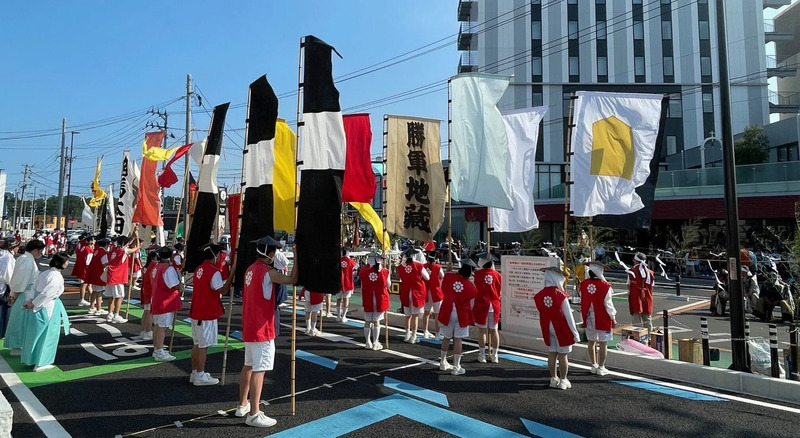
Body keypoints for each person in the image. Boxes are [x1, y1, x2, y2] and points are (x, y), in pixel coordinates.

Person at [235, 236, 298, 428]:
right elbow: (293, 279)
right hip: (262, 326)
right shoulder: (268, 272)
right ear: (270, 253)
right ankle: (254, 413)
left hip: (250, 324)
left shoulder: (250, 269)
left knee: (249, 365)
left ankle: (242, 404)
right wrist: (297, 256)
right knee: (259, 369)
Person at [189, 242, 234, 386]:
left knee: (197, 343)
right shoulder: (213, 271)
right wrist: (231, 275)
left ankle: (196, 372)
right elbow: (221, 290)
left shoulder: (199, 268)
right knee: (203, 345)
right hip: (206, 312)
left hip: (197, 310)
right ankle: (200, 374)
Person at [20, 252, 71, 372]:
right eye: (66, 261)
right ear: (61, 263)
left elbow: (33, 287)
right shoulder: (56, 277)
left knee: (34, 333)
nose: (67, 263)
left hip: (38, 303)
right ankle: (42, 362)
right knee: (48, 334)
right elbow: (48, 293)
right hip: (48, 305)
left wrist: (31, 300)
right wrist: (34, 303)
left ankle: (30, 359)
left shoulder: (44, 273)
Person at [534, 266, 580, 390]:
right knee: (563, 354)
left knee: (552, 353)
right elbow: (568, 316)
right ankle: (563, 380)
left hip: (547, 326)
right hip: (560, 327)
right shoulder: (560, 295)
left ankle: (553, 378)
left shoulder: (540, 295)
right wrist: (575, 333)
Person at [3, 239, 45, 356]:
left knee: (21, 321)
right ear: (35, 250)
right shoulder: (27, 261)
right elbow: (20, 281)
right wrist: (14, 295)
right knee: (20, 321)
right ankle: (16, 346)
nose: (41, 254)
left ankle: (18, 345)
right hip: (24, 294)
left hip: (25, 293)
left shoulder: (25, 259)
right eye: (40, 251)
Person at [438, 258, 477, 375]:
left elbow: (442, 286)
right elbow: (473, 295)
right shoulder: (470, 286)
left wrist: (448, 271)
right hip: (461, 314)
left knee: (446, 337)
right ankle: (456, 366)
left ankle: (443, 362)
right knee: (458, 339)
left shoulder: (449, 277)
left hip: (447, 312)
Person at [579, 261, 617, 376]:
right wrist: (613, 317)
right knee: (603, 343)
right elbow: (608, 305)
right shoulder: (605, 286)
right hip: (602, 316)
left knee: (591, 341)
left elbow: (583, 299)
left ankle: (593, 365)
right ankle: (601, 367)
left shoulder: (583, 284)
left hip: (588, 316)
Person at [150, 246, 182, 362]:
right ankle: (159, 351)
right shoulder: (168, 269)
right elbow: (174, 285)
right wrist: (180, 284)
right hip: (166, 302)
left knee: (157, 326)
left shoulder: (157, 266)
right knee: (162, 327)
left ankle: (156, 349)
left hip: (157, 300)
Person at [105, 235, 141, 324]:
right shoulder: (123, 251)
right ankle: (116, 315)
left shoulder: (114, 249)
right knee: (119, 296)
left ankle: (110, 314)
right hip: (118, 277)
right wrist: (138, 246)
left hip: (111, 275)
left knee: (112, 296)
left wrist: (134, 235)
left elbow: (127, 245)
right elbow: (131, 249)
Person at [473, 252, 501, 363]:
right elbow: (499, 290)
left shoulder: (477, 274)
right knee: (494, 331)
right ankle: (495, 355)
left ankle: (483, 354)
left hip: (482, 304)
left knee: (482, 331)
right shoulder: (497, 275)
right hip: (494, 304)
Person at [358, 252, 390, 350]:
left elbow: (360, 281)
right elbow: (388, 285)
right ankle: (375, 342)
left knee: (367, 321)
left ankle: (368, 342)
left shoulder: (363, 270)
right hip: (379, 299)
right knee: (377, 321)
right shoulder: (384, 271)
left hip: (368, 298)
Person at [397, 248, 430, 344]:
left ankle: (407, 334)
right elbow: (427, 277)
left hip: (406, 292)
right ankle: (413, 336)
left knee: (407, 315)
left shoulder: (401, 267)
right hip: (417, 292)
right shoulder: (419, 266)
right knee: (415, 316)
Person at [627, 252, 654, 331]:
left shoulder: (631, 271)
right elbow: (652, 286)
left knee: (636, 318)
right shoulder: (650, 272)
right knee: (647, 319)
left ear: (635, 261)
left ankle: (638, 337)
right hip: (647, 296)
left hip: (636, 296)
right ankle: (649, 337)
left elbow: (628, 285)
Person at [86, 237, 111, 316]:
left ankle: (92, 307)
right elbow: (104, 264)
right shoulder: (103, 252)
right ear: (106, 245)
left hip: (94, 273)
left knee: (95, 291)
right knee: (99, 292)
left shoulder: (96, 251)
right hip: (99, 273)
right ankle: (98, 309)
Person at [422, 253, 444, 339]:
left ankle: (425, 331)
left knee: (426, 312)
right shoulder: (438, 267)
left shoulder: (424, 266)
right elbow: (442, 276)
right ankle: (437, 333)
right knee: (437, 314)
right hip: (436, 291)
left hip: (427, 291)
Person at [0, 240, 19, 338]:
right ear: (12, 247)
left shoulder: (3, 255)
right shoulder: (8, 258)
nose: (18, 248)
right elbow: (9, 276)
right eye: (17, 246)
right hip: (3, 288)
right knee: (6, 309)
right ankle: (3, 332)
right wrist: (14, 290)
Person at [139, 249, 158, 341]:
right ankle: (147, 331)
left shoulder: (148, 265)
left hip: (146, 289)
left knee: (146, 311)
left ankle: (143, 330)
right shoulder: (154, 265)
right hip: (150, 290)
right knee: (149, 312)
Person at [72, 233, 92, 307]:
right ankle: (83, 299)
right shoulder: (88, 249)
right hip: (85, 269)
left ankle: (92, 298)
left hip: (82, 268)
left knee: (87, 285)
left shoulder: (84, 247)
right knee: (85, 284)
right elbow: (88, 262)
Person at [337, 247, 356, 323]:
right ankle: (343, 316)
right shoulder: (351, 261)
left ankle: (338, 316)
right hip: (348, 283)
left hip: (339, 283)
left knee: (338, 299)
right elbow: (354, 272)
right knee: (346, 300)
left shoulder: (338, 261)